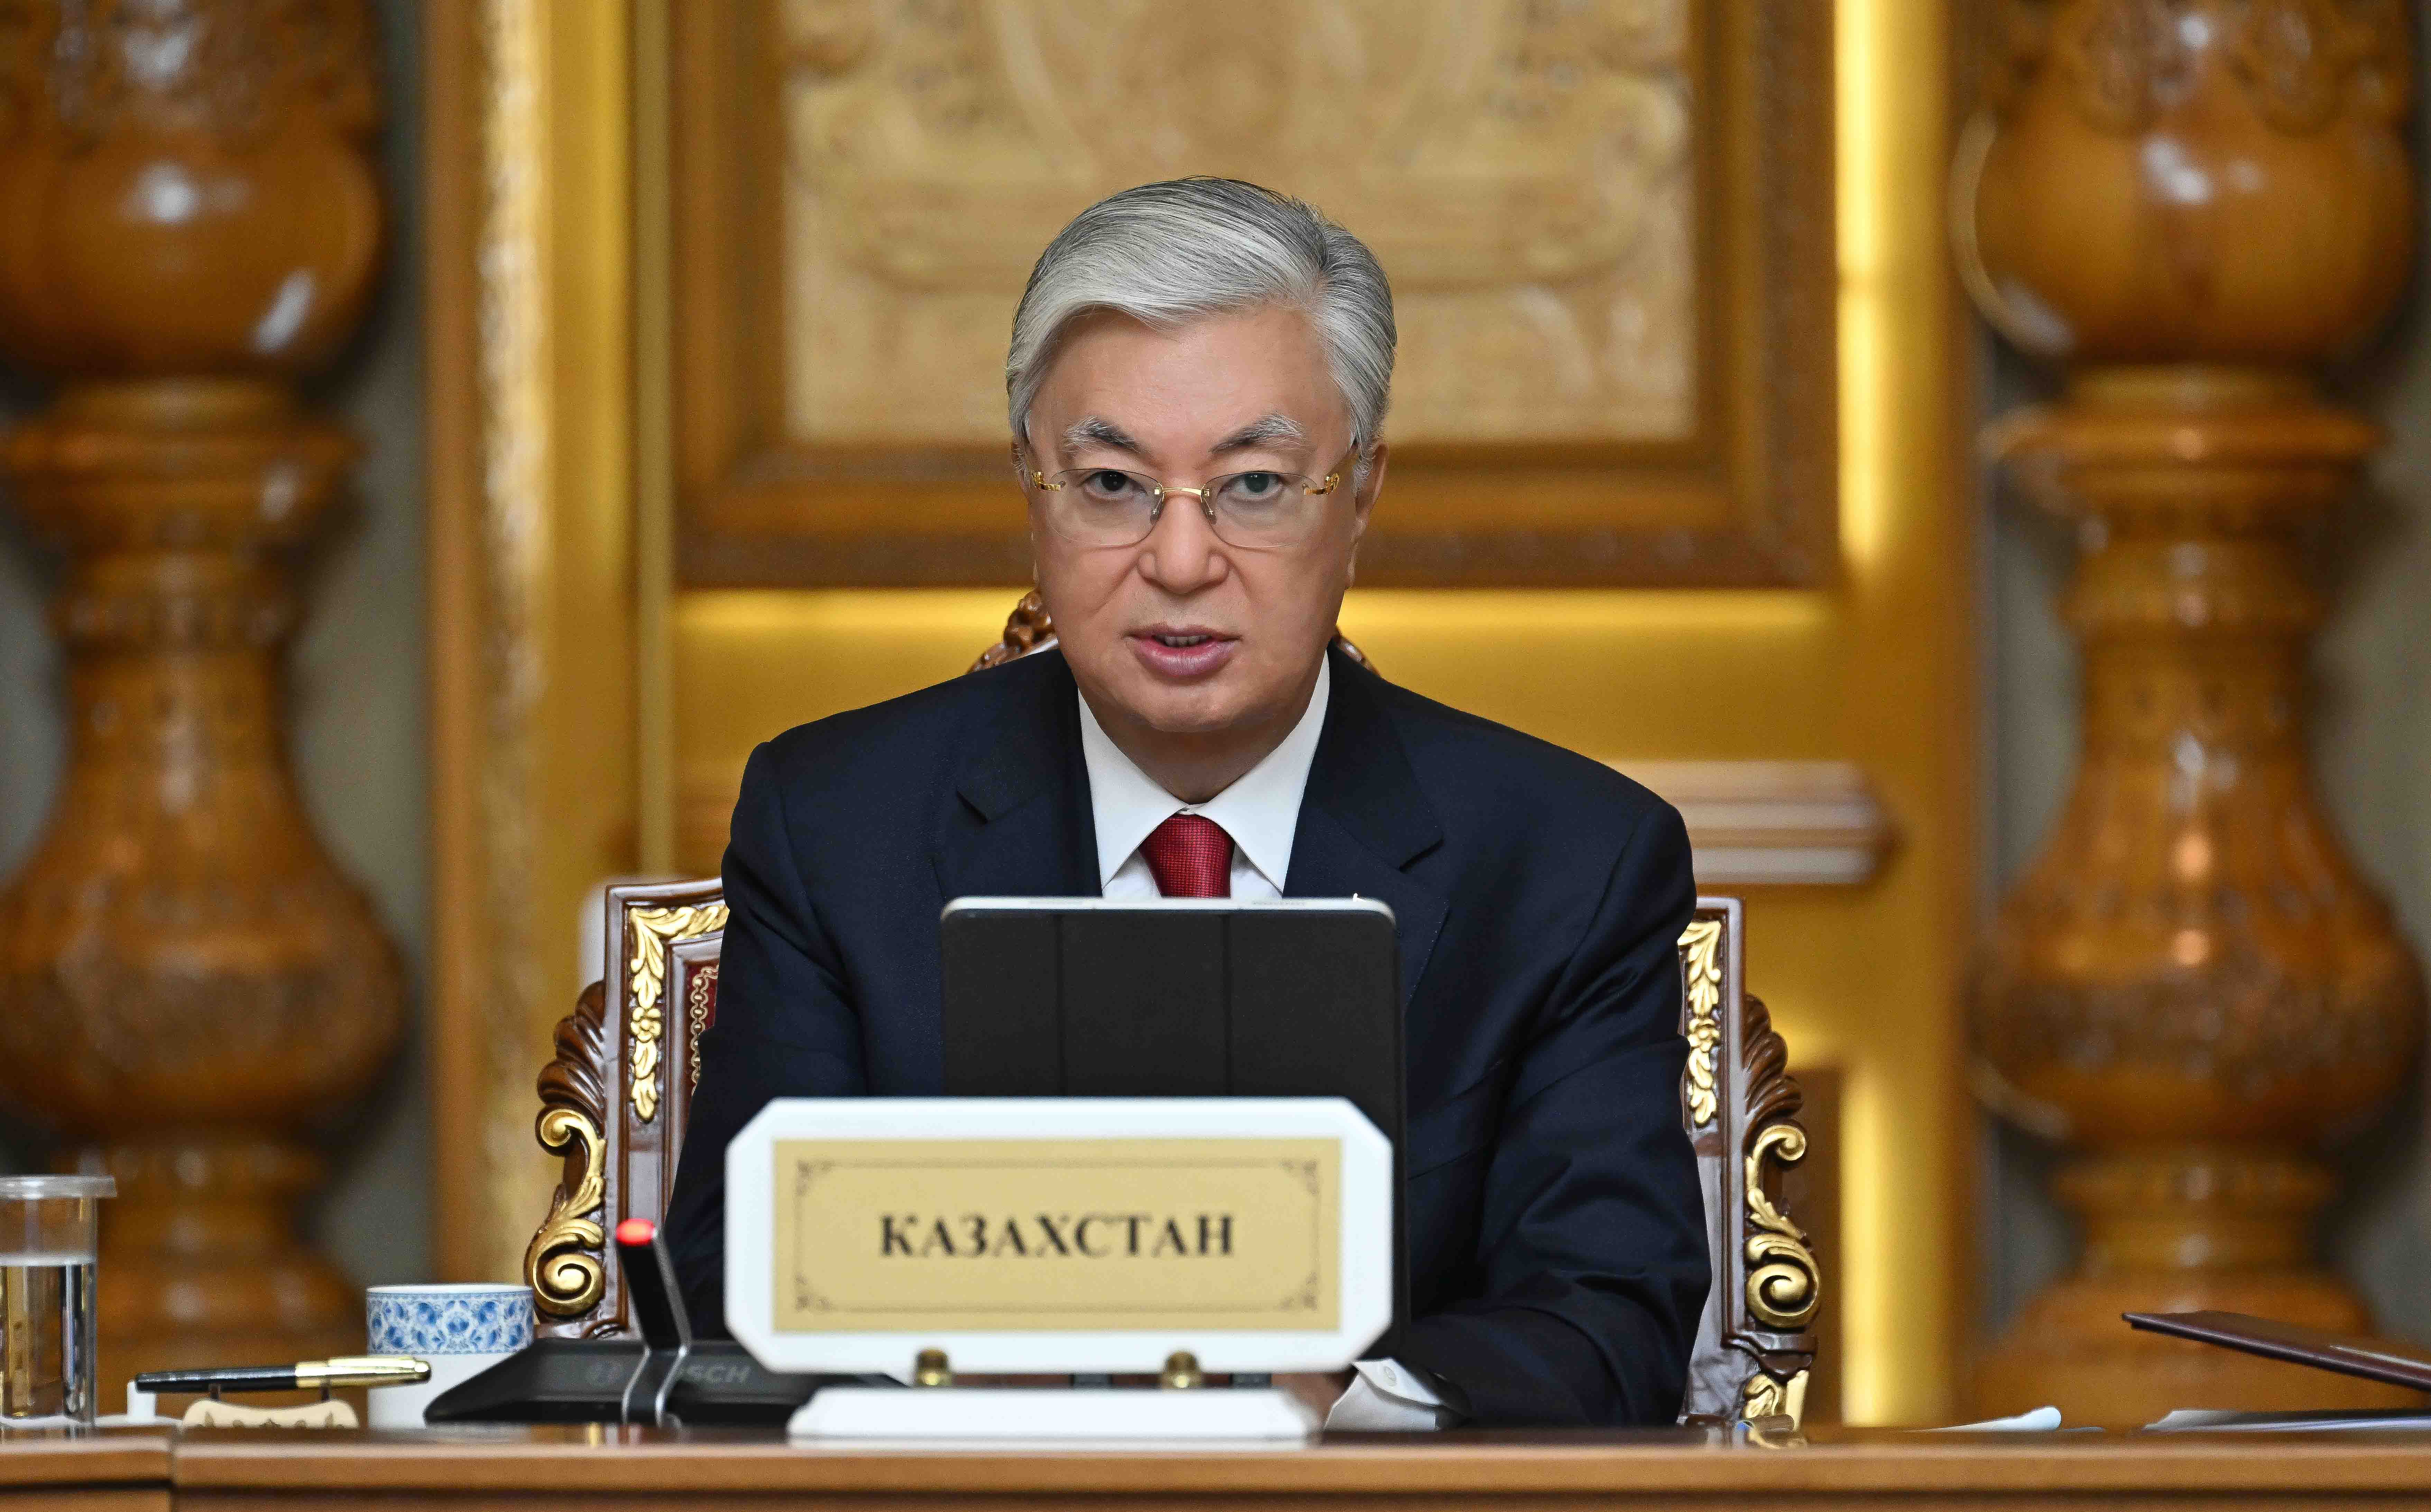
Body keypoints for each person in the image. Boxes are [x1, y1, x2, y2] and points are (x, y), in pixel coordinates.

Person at [667, 178, 1707, 1428]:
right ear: (1031, 492)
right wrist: (1008, 1377)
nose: (1178, 561)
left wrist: (1338, 1396)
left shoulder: (1566, 862)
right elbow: (736, 1292)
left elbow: (1608, 1319)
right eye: (1111, 483)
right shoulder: (837, 825)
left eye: (1255, 485)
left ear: (1361, 496)